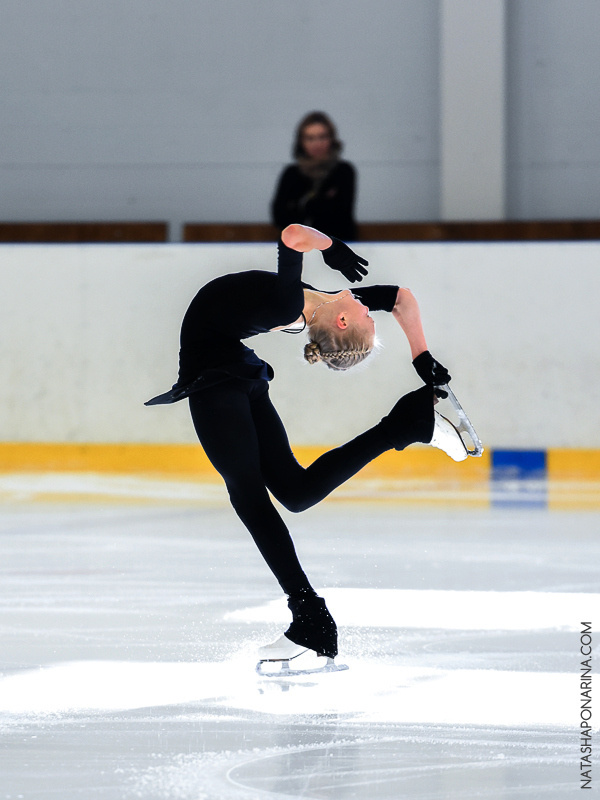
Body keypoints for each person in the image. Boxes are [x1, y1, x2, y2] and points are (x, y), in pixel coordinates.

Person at [146, 224, 465, 665]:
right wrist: (419, 355)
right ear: (341, 318)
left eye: (368, 322)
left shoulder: (291, 302)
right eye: (370, 321)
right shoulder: (316, 300)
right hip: (232, 371)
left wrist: (331, 247)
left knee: (250, 495)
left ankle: (310, 617)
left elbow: (294, 236)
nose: (371, 314)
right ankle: (406, 425)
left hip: (220, 377)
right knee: (293, 493)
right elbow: (399, 298)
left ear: (341, 322)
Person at [271, 111, 358, 241]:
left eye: (322, 137)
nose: (317, 144)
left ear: (331, 139)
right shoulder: (291, 174)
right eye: (310, 138)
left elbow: (340, 216)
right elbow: (279, 216)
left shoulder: (343, 171)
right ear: (301, 142)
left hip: (335, 246)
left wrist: (302, 207)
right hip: (296, 246)